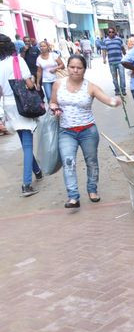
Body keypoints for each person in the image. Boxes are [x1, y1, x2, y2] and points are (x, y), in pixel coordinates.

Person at [49, 54, 121, 208]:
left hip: (88, 131)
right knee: (68, 162)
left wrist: (115, 101)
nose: (75, 70)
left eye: (79, 68)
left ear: (84, 69)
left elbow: (108, 100)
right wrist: (54, 108)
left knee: (92, 162)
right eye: (72, 67)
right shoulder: (58, 84)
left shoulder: (90, 87)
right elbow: (53, 101)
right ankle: (73, 197)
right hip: (66, 131)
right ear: (67, 67)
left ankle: (92, 190)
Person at [0, 34, 43, 196]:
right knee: (27, 145)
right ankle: (26, 184)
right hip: (22, 104)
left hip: (8, 105)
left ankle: (37, 171)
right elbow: (29, 84)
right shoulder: (17, 60)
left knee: (23, 140)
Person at [102, 27, 127, 96]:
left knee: (122, 76)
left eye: (112, 32)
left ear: (115, 32)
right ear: (108, 33)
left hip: (120, 61)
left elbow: (122, 48)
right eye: (109, 32)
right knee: (114, 77)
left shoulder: (119, 39)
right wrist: (104, 59)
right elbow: (104, 51)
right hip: (111, 62)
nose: (111, 33)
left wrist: (126, 56)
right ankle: (117, 90)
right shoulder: (105, 41)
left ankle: (123, 89)